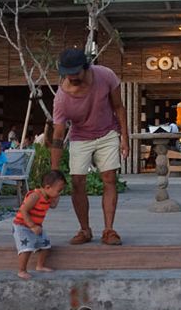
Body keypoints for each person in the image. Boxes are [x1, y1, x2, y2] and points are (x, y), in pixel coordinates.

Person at [50, 48, 129, 246]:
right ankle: (85, 230)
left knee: (109, 178)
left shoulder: (106, 75)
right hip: (80, 138)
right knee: (77, 182)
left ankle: (109, 230)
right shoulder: (61, 98)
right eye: (68, 74)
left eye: (76, 72)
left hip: (107, 132)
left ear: (85, 68)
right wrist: (53, 171)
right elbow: (58, 136)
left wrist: (124, 137)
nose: (72, 77)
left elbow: (119, 106)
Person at [12, 170, 65, 280]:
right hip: (22, 225)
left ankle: (40, 265)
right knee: (26, 248)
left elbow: (53, 206)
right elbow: (23, 210)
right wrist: (31, 226)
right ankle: (22, 270)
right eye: (59, 190)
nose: (60, 192)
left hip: (36, 226)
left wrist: (57, 196)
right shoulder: (35, 196)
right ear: (47, 187)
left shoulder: (49, 197)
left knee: (45, 245)